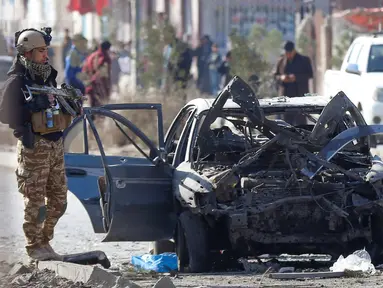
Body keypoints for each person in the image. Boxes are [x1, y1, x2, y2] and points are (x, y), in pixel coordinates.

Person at [0, 27, 78, 261]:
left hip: (54, 146)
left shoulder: (48, 76)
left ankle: (44, 241)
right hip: (34, 147)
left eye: (46, 50)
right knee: (35, 202)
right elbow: (4, 114)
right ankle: (34, 246)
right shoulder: (17, 81)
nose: (46, 55)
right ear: (28, 53)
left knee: (59, 201)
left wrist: (69, 104)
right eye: (41, 51)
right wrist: (29, 108)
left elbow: (53, 105)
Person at [273, 41, 313, 125]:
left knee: (301, 124)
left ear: (294, 51)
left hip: (300, 97)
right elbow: (275, 75)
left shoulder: (304, 60)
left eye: (290, 52)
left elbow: (309, 74)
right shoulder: (281, 61)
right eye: (286, 53)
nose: (288, 55)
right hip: (286, 98)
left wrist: (296, 78)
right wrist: (282, 78)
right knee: (287, 124)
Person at [82, 40, 112, 107]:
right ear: (108, 49)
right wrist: (107, 87)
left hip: (91, 84)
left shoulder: (92, 56)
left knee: (92, 108)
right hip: (99, 85)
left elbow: (85, 69)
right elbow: (103, 73)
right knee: (100, 109)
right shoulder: (104, 57)